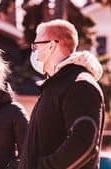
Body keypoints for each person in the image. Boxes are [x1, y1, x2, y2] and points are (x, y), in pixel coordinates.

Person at [19, 19, 105, 169]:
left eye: (36, 46)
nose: (34, 52)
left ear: (51, 45)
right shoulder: (54, 86)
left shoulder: (80, 85)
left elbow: (83, 143)